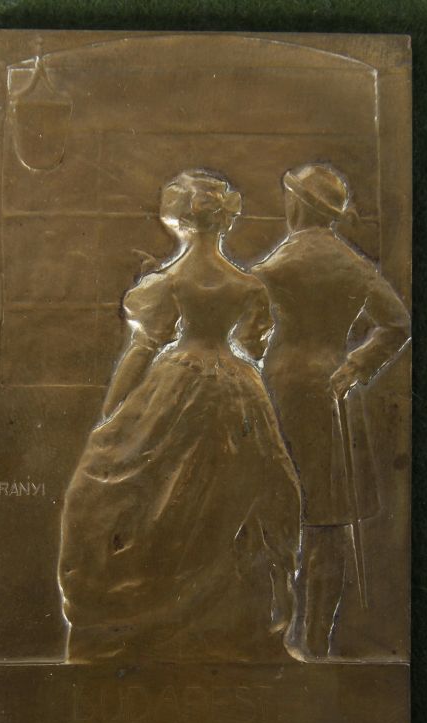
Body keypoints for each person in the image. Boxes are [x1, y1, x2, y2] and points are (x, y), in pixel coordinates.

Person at [59, 169, 301, 663]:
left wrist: (112, 416)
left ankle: (165, 621)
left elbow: (141, 350)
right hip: (236, 390)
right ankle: (213, 621)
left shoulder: (168, 282)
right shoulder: (247, 285)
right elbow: (253, 345)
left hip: (177, 383)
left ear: (180, 221)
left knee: (159, 494)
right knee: (223, 493)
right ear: (223, 221)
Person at [252, 163, 411, 660]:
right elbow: (397, 323)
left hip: (280, 387)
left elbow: (244, 331)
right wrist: (356, 365)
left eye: (290, 196)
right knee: (329, 520)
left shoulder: (275, 265)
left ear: (299, 205)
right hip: (332, 388)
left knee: (272, 506)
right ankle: (316, 639)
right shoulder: (352, 264)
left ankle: (275, 632)